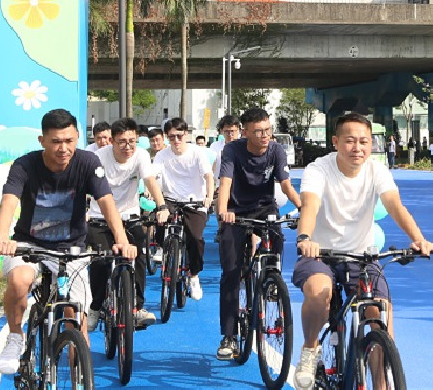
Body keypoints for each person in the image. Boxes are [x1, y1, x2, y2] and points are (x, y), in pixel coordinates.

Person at [291, 113, 433, 390]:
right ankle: (309, 349)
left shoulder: (376, 170)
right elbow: (310, 205)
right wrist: (305, 237)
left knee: (380, 315)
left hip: (362, 256)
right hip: (321, 254)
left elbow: (394, 206)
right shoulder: (318, 170)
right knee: (320, 293)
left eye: (364, 141)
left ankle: (381, 385)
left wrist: (418, 239)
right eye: (350, 141)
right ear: (335, 142)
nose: (357, 147)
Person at [0, 108, 137, 375]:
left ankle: (78, 378)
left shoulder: (88, 162)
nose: (63, 148)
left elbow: (106, 202)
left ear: (77, 138)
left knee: (76, 319)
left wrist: (121, 240)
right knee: (19, 281)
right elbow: (9, 202)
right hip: (29, 244)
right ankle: (15, 336)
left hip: (72, 248)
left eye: (69, 141)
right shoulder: (24, 165)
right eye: (56, 141)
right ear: (42, 141)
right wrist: (2, 237)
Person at [215, 107, 302, 361]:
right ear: (245, 133)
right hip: (235, 211)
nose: (265, 136)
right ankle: (229, 336)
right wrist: (223, 212)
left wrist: (302, 207)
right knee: (231, 273)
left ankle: (272, 280)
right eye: (258, 132)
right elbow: (225, 183)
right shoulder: (232, 150)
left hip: (264, 208)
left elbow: (286, 185)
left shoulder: (276, 150)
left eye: (267, 130)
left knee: (278, 236)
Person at [85, 117, 170, 329]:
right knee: (101, 260)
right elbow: (85, 187)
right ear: (112, 141)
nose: (128, 146)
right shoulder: (98, 157)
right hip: (100, 217)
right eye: (122, 141)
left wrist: (161, 206)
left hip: (129, 216)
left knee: (139, 254)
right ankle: (95, 306)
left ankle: (137, 306)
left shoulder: (141, 155)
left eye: (132, 141)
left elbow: (150, 181)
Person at [154, 117, 214, 301]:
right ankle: (163, 250)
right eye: (171, 137)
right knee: (159, 221)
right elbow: (153, 176)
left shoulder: (197, 153)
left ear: (186, 134)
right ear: (167, 137)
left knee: (195, 238)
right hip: (170, 200)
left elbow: (208, 176)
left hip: (194, 201)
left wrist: (209, 197)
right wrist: (151, 193)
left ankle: (194, 275)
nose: (176, 140)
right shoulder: (162, 155)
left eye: (179, 136)